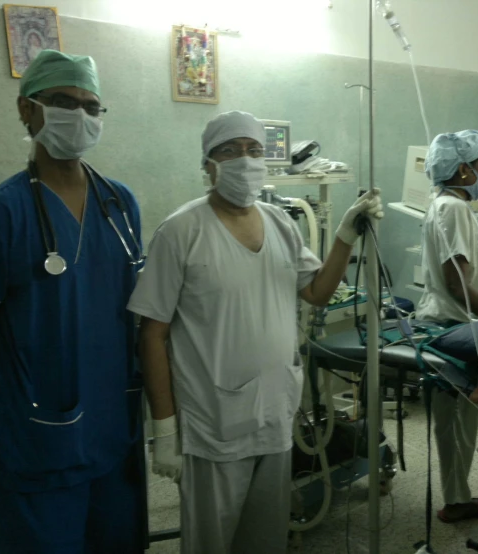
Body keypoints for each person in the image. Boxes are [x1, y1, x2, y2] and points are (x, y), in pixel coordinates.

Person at [126, 111, 383, 554]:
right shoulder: (181, 231)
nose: (244, 160)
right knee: (211, 541)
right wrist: (164, 430)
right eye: (230, 151)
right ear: (208, 164)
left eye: (254, 151)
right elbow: (152, 334)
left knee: (265, 538)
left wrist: (344, 234)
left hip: (275, 411)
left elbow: (317, 291)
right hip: (214, 421)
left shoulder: (280, 223)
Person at [0, 50, 146, 553]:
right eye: (61, 101)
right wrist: (24, 376)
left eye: (91, 107)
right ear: (26, 110)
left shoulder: (119, 204)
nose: (80, 116)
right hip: (34, 440)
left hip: (111, 426)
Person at [415, 130, 478, 523]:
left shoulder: (443, 204)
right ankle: (456, 501)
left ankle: (457, 496)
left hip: (451, 324)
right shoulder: (454, 209)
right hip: (456, 329)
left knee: (452, 422)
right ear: (464, 171)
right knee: (457, 424)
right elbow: (458, 283)